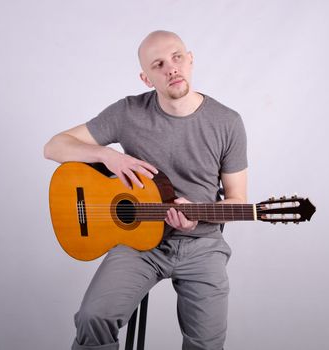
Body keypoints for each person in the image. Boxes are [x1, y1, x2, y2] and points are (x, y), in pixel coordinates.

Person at [44, 30, 248, 350]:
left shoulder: (228, 122)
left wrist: (194, 218)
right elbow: (54, 146)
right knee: (92, 319)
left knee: (207, 344)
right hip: (139, 243)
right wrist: (108, 156)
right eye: (159, 64)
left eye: (177, 58)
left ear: (190, 60)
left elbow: (238, 202)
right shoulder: (128, 112)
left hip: (202, 245)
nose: (171, 68)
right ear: (146, 77)